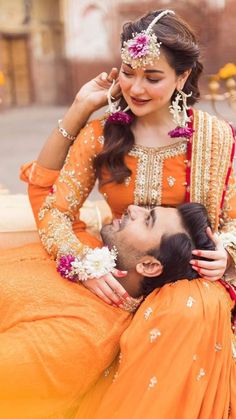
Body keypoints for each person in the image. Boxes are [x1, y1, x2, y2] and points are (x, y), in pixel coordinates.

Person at [21, 9, 236, 310]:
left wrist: (226, 254)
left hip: (191, 293)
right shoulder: (102, 135)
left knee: (190, 315)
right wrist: (85, 265)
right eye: (128, 72)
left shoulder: (213, 136)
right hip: (113, 286)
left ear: (182, 76)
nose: (135, 88)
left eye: (152, 77)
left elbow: (231, 221)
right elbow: (54, 211)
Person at [0, 202, 226, 419]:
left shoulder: (84, 334)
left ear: (148, 265)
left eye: (148, 220)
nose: (133, 208)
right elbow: (49, 198)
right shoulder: (85, 245)